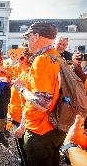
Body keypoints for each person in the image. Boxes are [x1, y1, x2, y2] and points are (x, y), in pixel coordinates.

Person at [14, 21, 66, 166]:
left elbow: (42, 104)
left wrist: (21, 89)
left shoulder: (41, 60)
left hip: (40, 130)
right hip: (57, 126)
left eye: (27, 37)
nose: (27, 40)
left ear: (36, 36)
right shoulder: (58, 57)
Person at [8, 43, 31, 166]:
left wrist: (22, 124)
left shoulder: (28, 74)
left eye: (22, 58)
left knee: (24, 147)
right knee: (20, 146)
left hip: (22, 117)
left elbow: (29, 101)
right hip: (15, 113)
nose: (19, 60)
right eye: (18, 58)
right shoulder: (22, 72)